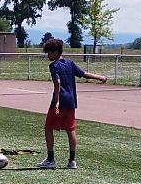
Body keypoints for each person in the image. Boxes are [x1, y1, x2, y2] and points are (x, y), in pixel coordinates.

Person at [36, 34, 104, 169]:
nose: (48, 55)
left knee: (48, 128)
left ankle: (50, 159)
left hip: (60, 100)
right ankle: (72, 161)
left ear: (56, 52)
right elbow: (83, 74)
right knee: (70, 129)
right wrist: (100, 77)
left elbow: (57, 83)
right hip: (71, 101)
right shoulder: (70, 63)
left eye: (49, 52)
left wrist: (56, 102)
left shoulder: (54, 66)